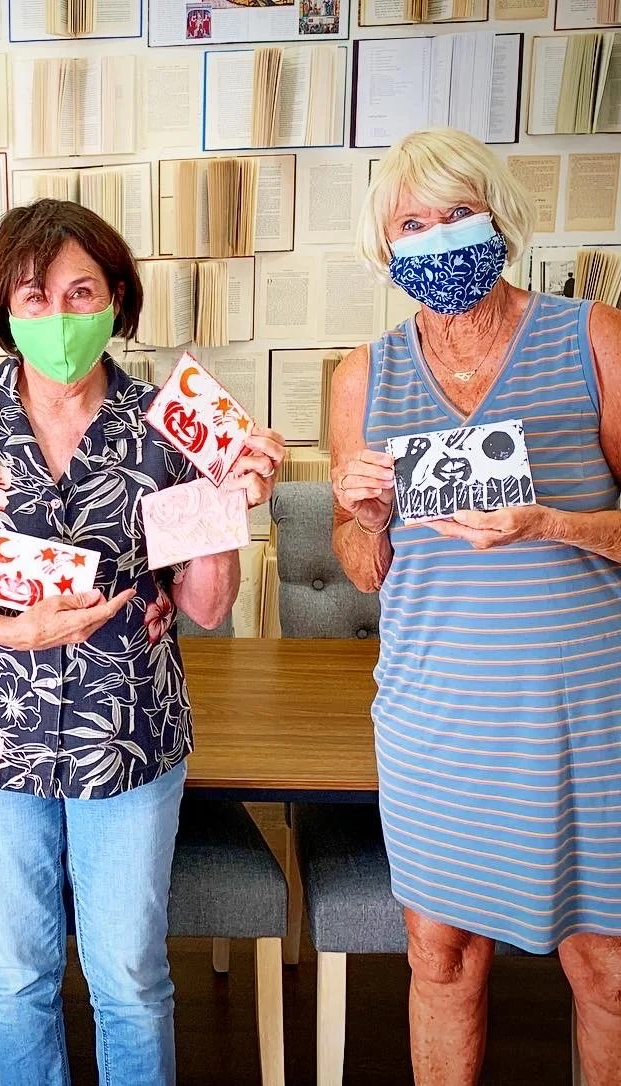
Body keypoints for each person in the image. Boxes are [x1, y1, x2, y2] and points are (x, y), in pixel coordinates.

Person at [0, 199, 285, 1086]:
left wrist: (225, 507)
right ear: (5, 307)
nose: (59, 316)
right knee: (15, 971)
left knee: (130, 977)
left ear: (116, 300)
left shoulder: (168, 426)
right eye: (35, 297)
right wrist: (9, 630)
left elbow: (207, 607)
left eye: (81, 293)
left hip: (129, 732)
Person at [331, 127, 621, 1085]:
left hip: (584, 715)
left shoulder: (594, 337)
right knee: (442, 957)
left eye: (458, 212)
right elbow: (363, 569)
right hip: (437, 717)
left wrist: (554, 523)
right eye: (412, 223)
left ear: (500, 217)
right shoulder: (363, 375)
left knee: (607, 968)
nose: (438, 235)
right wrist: (364, 515)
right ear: (384, 245)